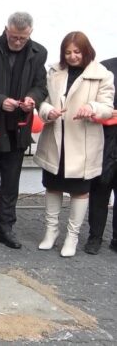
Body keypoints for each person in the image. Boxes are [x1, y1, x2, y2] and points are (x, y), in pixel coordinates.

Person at [34, 32, 114, 257]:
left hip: (83, 141)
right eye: (68, 52)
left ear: (86, 51)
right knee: (53, 185)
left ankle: (72, 236)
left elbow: (108, 106)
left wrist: (92, 107)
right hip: (56, 138)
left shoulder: (102, 75)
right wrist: (48, 111)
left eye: (77, 52)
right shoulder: (54, 71)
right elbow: (43, 101)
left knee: (79, 191)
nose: (72, 56)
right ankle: (51, 232)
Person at [0, 12, 47, 249]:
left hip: (18, 128)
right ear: (6, 30)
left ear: (30, 34)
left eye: (22, 38)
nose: (17, 42)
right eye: (14, 37)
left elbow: (40, 86)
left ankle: (6, 228)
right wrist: (0, 101)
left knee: (11, 183)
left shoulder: (39, 53)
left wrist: (31, 98)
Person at [86, 57, 117, 254]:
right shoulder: (105, 68)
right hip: (105, 139)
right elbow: (93, 101)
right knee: (99, 189)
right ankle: (95, 236)